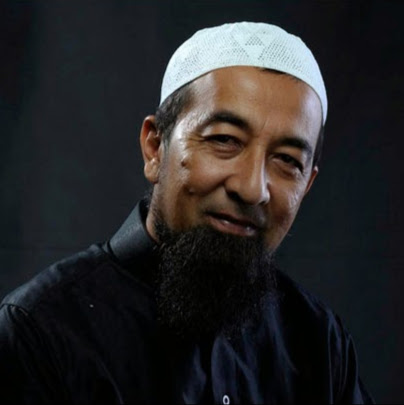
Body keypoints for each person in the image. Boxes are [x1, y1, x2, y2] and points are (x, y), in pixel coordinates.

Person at [0, 22, 373, 404]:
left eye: (287, 160)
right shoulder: (40, 333)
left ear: (307, 185)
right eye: (224, 140)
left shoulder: (319, 343)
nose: (252, 188)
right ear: (155, 147)